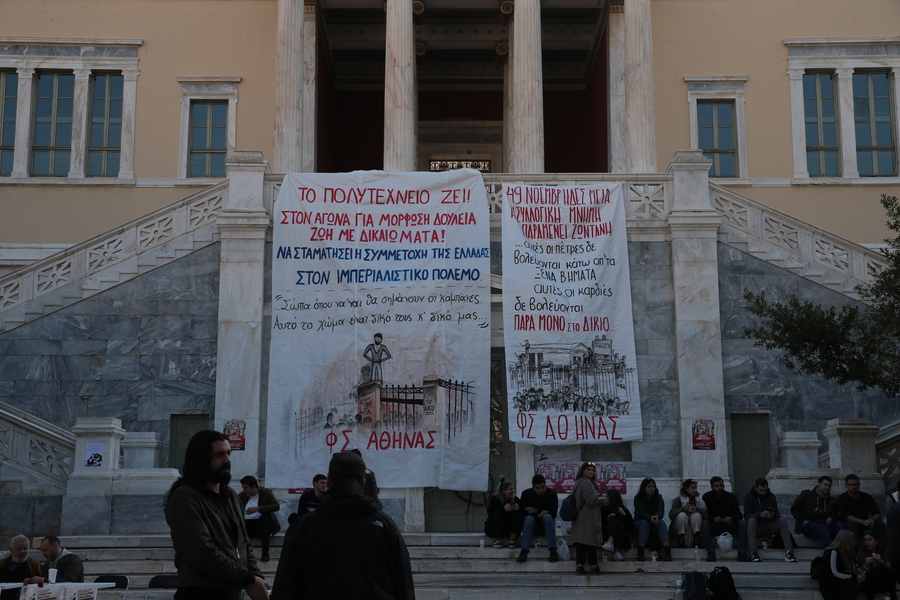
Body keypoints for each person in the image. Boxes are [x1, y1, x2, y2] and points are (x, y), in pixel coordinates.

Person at [271, 451, 415, 600]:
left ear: (328, 482)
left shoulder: (303, 528)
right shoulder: (385, 526)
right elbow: (404, 587)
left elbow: (285, 587)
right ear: (363, 483)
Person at [164, 430, 268, 600]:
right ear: (201, 459)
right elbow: (201, 552)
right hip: (200, 593)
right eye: (219, 455)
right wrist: (247, 579)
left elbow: (244, 543)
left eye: (228, 453)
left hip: (231, 593)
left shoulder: (232, 496)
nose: (227, 460)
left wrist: (258, 580)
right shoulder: (185, 497)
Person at [743, 477, 797, 562]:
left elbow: (778, 515)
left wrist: (773, 516)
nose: (763, 493)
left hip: (768, 526)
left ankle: (789, 552)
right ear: (755, 488)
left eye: (765, 490)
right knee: (751, 521)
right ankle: (753, 552)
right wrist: (759, 515)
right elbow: (746, 515)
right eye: (761, 490)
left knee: (782, 521)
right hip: (756, 527)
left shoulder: (771, 496)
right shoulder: (748, 496)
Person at [702, 476, 750, 562]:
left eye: (721, 485)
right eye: (717, 486)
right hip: (715, 525)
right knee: (705, 524)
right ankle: (710, 552)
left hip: (729, 526)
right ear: (712, 487)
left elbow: (739, 515)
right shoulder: (707, 497)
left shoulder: (731, 497)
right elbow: (704, 514)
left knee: (742, 523)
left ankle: (742, 552)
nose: (720, 488)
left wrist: (731, 518)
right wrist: (713, 518)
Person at [669, 478, 717, 561]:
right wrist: (684, 508)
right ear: (687, 489)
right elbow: (671, 515)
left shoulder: (699, 501)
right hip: (680, 524)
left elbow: (706, 516)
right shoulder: (678, 500)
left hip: (694, 523)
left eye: (696, 488)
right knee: (682, 515)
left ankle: (696, 537)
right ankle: (681, 538)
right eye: (693, 488)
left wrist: (698, 509)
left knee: (697, 515)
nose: (695, 490)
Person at [571, 461, 605, 575]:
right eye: (589, 470)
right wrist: (601, 499)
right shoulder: (587, 483)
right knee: (590, 542)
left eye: (593, 470)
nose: (591, 472)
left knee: (581, 543)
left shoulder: (578, 483)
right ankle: (594, 566)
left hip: (580, 517)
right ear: (583, 471)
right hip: (588, 516)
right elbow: (591, 500)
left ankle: (579, 566)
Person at [791, 475, 843, 549]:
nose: (827, 487)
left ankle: (846, 551)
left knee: (840, 525)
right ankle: (831, 551)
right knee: (822, 528)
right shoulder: (806, 495)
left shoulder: (832, 501)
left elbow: (835, 515)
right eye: (825, 484)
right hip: (809, 524)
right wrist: (803, 521)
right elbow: (794, 509)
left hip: (825, 523)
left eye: (829, 486)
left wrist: (832, 519)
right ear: (819, 484)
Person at [517, 474, 559, 563]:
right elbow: (523, 512)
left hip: (546, 526)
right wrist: (539, 514)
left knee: (547, 517)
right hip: (531, 527)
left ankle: (553, 551)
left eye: (543, 487)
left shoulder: (551, 493)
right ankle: (524, 551)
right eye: (538, 488)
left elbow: (553, 512)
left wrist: (536, 510)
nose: (541, 490)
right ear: (533, 488)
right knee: (529, 519)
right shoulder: (526, 494)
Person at [835, 473, 887, 544]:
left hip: (866, 523)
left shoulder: (866, 497)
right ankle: (858, 552)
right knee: (851, 524)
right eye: (851, 485)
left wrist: (872, 520)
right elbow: (845, 516)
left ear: (859, 484)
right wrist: (862, 521)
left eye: (856, 484)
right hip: (850, 524)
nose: (854, 487)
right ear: (846, 485)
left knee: (880, 524)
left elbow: (877, 513)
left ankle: (885, 550)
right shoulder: (841, 498)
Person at [240, 475, 282, 562]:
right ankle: (241, 554)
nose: (244, 490)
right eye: (243, 488)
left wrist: (258, 508)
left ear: (254, 487)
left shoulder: (266, 493)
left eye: (246, 488)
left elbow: (276, 506)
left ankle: (265, 552)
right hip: (247, 526)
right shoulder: (242, 496)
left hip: (261, 526)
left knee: (263, 520)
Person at [633, 477, 672, 561]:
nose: (652, 489)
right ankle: (640, 552)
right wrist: (649, 517)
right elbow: (640, 512)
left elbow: (660, 510)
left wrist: (656, 516)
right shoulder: (637, 498)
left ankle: (667, 552)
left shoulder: (659, 497)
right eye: (649, 487)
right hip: (641, 521)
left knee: (661, 523)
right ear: (644, 488)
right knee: (645, 523)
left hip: (654, 520)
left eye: (653, 487)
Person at [856, 529, 897, 600]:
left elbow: (889, 567)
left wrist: (881, 561)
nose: (867, 542)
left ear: (876, 541)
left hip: (881, 582)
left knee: (881, 569)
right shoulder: (861, 553)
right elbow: (861, 572)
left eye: (870, 540)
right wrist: (866, 563)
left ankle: (893, 595)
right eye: (865, 540)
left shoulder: (883, 551)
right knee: (873, 571)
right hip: (867, 583)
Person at [819, 530, 860, 600]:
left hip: (843, 580)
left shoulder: (851, 553)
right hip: (831, 584)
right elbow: (834, 573)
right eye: (853, 541)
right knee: (850, 584)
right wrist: (852, 576)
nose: (855, 543)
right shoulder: (832, 552)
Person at [484, 477, 524, 548]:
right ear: (503, 491)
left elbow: (524, 511)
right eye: (510, 489)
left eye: (513, 489)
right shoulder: (495, 499)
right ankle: (496, 540)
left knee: (518, 515)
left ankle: (512, 540)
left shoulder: (515, 499)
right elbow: (490, 511)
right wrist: (503, 509)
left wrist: (518, 508)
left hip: (509, 529)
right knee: (497, 515)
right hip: (496, 529)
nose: (512, 491)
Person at [0, 535, 41, 600]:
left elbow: (42, 585)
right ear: (11, 550)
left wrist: (32, 582)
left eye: (25, 548)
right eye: (19, 549)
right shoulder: (1, 563)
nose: (22, 552)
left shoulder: (34, 565)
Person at [599, 488, 635, 561]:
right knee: (612, 520)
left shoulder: (622, 509)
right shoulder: (603, 509)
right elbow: (600, 525)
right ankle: (613, 547)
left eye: (607, 497)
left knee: (618, 524)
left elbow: (632, 528)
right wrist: (607, 519)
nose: (604, 499)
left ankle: (612, 544)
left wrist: (624, 515)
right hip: (605, 535)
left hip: (621, 537)